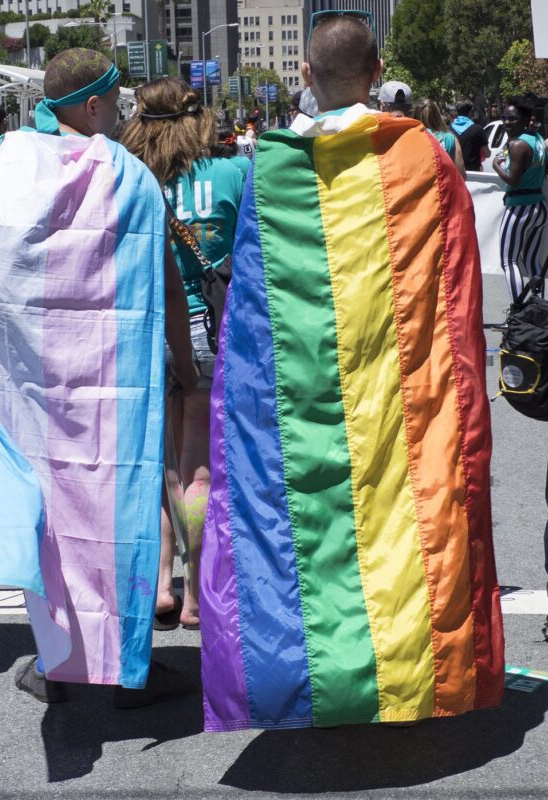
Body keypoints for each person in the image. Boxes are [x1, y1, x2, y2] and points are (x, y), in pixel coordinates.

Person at [199, 13, 504, 731]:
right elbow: (456, 290)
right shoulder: (425, 157)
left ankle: (308, 676)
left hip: (301, 400)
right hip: (406, 390)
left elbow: (251, 311)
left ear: (304, 77)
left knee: (310, 528)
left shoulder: (268, 166)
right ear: (377, 74)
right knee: (408, 518)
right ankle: (414, 669)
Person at [0, 49, 197, 706]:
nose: (120, 113)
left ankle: (59, 658)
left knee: (53, 525)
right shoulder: (130, 179)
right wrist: (185, 360)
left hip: (31, 395)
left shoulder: (6, 173)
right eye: (115, 101)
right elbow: (164, 283)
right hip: (112, 392)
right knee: (119, 522)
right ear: (92, 105)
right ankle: (121, 669)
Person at [121, 78, 244, 631]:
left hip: (146, 327)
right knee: (199, 465)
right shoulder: (231, 174)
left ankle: (161, 589)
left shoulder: (128, 177)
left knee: (161, 463)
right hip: (207, 327)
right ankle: (196, 593)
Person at [492, 96, 548, 301]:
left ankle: (519, 312)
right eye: (505, 117)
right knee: (533, 261)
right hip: (539, 206)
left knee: (509, 261)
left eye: (512, 118)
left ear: (526, 119)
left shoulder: (518, 145)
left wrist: (497, 165)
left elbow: (513, 180)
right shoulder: (538, 139)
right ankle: (537, 311)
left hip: (519, 208)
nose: (507, 122)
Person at [413, 98, 466, 179]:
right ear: (438, 116)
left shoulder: (409, 137)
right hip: (443, 189)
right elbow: (461, 175)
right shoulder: (450, 139)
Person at [450, 100, 490, 172]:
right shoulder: (478, 129)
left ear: (457, 112)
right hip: (473, 173)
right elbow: (487, 153)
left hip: (454, 173)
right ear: (470, 112)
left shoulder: (448, 130)